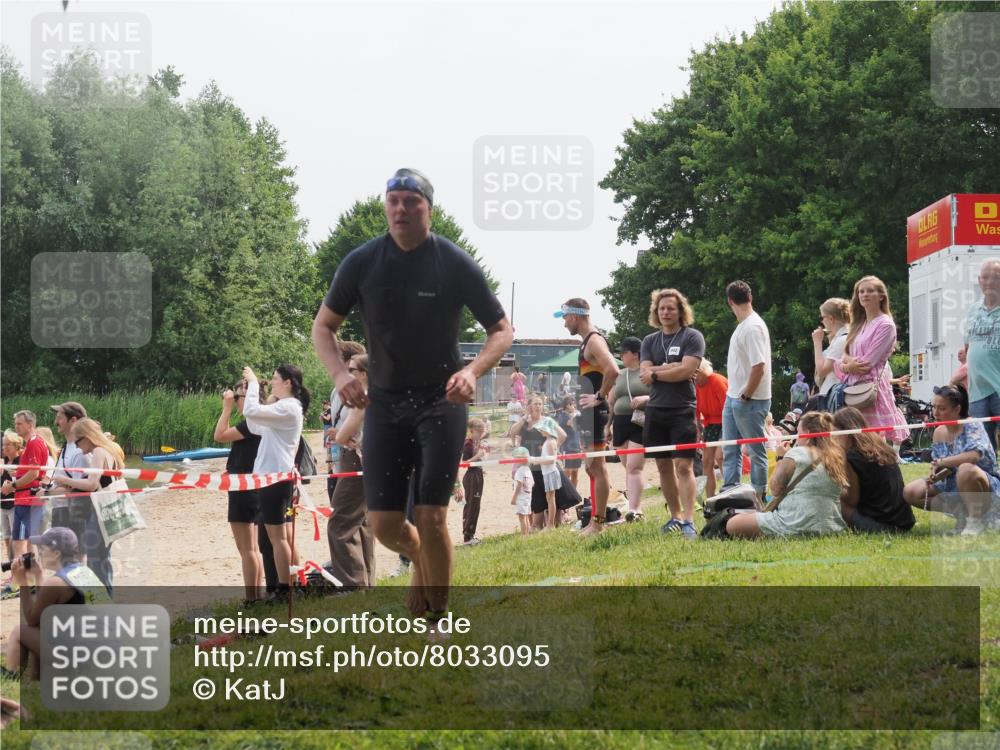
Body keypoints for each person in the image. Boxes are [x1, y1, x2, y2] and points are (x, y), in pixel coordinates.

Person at [312, 167, 513, 621]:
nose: (400, 209)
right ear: (386, 206)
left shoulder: (453, 261)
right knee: (384, 524)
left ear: (429, 208)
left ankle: (437, 617)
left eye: (411, 201)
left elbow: (501, 330)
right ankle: (421, 561)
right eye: (393, 201)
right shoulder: (362, 261)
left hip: (442, 402)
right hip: (383, 404)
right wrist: (341, 374)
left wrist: (472, 371)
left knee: (432, 514)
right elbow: (324, 327)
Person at [639, 288, 705, 538]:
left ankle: (689, 520)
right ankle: (675, 516)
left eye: (671, 308)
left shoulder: (692, 336)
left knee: (684, 467)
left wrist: (657, 372)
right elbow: (643, 374)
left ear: (680, 311)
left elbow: (687, 371)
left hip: (682, 409)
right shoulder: (649, 341)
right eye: (661, 308)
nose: (665, 312)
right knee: (663, 466)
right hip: (655, 410)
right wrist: (669, 368)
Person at [4, 527, 110, 677]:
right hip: (104, 652)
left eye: (42, 547)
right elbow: (45, 614)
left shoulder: (56, 583)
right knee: (45, 628)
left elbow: (32, 619)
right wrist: (39, 576)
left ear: (56, 553)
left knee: (19, 631)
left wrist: (23, 583)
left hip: (85, 659)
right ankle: (37, 680)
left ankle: (10, 675)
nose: (38, 552)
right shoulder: (83, 572)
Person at [724, 412, 849, 539]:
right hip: (830, 526)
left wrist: (780, 457)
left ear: (808, 434)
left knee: (732, 524)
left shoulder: (796, 453)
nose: (796, 438)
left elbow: (775, 489)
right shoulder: (836, 458)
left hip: (794, 522)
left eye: (798, 433)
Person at [241, 364, 308, 600]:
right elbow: (254, 424)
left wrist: (253, 384)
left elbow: (250, 411)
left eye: (275, 379)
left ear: (288, 382)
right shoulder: (284, 408)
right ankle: (295, 584)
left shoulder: (289, 407)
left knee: (278, 538)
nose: (273, 381)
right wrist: (258, 398)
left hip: (276, 478)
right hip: (274, 477)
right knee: (281, 537)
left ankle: (284, 588)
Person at [555, 297, 619, 536]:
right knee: (591, 468)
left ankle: (598, 523)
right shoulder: (587, 342)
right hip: (589, 414)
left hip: (595, 413)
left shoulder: (593, 340)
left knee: (597, 467)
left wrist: (600, 396)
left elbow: (613, 370)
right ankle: (595, 519)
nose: (564, 324)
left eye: (565, 318)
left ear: (575, 316)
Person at [902, 384, 1000, 536]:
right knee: (911, 492)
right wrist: (936, 472)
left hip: (984, 484)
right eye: (934, 407)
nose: (935, 413)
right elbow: (943, 465)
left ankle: (976, 521)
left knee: (965, 469)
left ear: (957, 409)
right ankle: (963, 515)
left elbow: (974, 456)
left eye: (942, 409)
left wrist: (942, 462)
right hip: (952, 483)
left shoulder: (972, 424)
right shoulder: (939, 432)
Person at [50, 418, 124, 591]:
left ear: (88, 437)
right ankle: (104, 602)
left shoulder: (98, 451)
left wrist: (64, 480)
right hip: (108, 511)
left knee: (95, 561)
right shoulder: (110, 450)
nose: (76, 446)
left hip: (100, 513)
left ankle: (101, 605)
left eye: (77, 441)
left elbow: (91, 484)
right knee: (100, 559)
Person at [833, 276, 908, 445]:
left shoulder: (885, 325)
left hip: (870, 392)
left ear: (881, 296)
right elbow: (844, 354)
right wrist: (849, 364)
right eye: (861, 291)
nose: (865, 295)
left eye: (870, 291)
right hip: (852, 390)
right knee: (853, 443)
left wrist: (845, 365)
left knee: (872, 443)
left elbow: (866, 363)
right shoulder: (859, 323)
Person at [214, 380, 264, 603]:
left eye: (238, 398)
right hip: (252, 484)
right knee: (253, 548)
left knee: (247, 549)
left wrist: (225, 409)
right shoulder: (261, 420)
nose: (235, 403)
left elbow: (220, 435)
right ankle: (258, 593)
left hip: (244, 488)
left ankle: (251, 598)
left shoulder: (252, 423)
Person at [721, 281, 773, 499]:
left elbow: (759, 366)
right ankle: (731, 492)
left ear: (730, 301)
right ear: (750, 297)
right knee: (729, 449)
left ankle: (759, 496)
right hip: (734, 396)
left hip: (749, 399)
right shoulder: (744, 325)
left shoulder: (752, 327)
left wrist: (745, 395)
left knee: (755, 451)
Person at [328, 354, 375, 588]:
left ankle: (352, 584)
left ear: (364, 374)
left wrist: (340, 435)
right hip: (374, 462)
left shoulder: (361, 399)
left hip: (357, 460)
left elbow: (342, 435)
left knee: (339, 523)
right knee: (361, 523)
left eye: (352, 370)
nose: (348, 373)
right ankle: (365, 582)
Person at [833, 407, 915, 533]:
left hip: (882, 525)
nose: (833, 439)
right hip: (904, 521)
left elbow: (852, 501)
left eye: (835, 433)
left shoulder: (851, 457)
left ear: (845, 432)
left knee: (835, 502)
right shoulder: (882, 447)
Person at [608, 336, 649, 521]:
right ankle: (633, 505)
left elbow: (659, 394)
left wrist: (645, 399)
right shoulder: (620, 374)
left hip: (640, 421)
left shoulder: (647, 371)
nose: (621, 355)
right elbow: (611, 400)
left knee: (634, 466)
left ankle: (635, 508)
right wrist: (607, 425)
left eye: (624, 352)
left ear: (635, 354)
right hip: (621, 422)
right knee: (627, 466)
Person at [1, 412, 49, 559]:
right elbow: (32, 472)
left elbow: (34, 473)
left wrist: (13, 485)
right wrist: (18, 477)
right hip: (26, 497)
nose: (16, 427)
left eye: (19, 423)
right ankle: (29, 579)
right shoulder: (32, 443)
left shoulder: (34, 442)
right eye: (15, 423)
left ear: (30, 424)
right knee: (27, 543)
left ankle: (22, 580)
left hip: (27, 499)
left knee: (20, 543)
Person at [964, 258, 1000, 450]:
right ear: (979, 280)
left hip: (999, 387)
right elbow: (967, 348)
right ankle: (990, 479)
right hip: (977, 390)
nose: (989, 282)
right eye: (985, 278)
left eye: (995, 277)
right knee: (982, 446)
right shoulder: (973, 310)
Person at [327, 341, 368, 502]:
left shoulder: (363, 394)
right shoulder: (336, 391)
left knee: (342, 513)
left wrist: (341, 435)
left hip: (357, 456)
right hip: (340, 454)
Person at [46, 403, 89, 545]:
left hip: (73, 513)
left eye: (59, 418)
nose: (55, 422)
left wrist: (47, 493)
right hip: (60, 510)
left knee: (72, 560)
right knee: (59, 560)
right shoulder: (67, 447)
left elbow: (79, 491)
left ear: (73, 420)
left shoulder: (79, 451)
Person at [695, 359, 728, 500]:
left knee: (721, 457)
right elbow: (695, 410)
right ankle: (710, 498)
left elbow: (728, 408)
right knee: (706, 461)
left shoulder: (717, 380)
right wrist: (698, 430)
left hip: (725, 421)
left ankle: (730, 490)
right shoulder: (695, 386)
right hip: (709, 424)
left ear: (699, 370)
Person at [811, 298, 851, 412]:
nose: (822, 322)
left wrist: (817, 343)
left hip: (832, 394)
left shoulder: (841, 340)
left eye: (822, 318)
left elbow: (822, 371)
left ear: (831, 318)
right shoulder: (846, 337)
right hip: (837, 393)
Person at [460, 418, 488, 545]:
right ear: (471, 431)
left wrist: (481, 463)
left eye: (482, 431)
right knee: (472, 506)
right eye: (479, 431)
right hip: (472, 477)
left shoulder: (477, 442)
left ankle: (470, 534)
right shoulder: (468, 444)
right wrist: (478, 456)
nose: (481, 433)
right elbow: (464, 463)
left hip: (477, 474)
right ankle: (468, 537)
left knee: (475, 505)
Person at [1, 431, 24, 572]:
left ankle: (19, 575)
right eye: (4, 444)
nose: (5, 447)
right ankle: (13, 573)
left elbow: (23, 484)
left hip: (16, 505)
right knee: (7, 539)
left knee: (17, 541)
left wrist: (11, 486)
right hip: (3, 505)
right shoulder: (4, 462)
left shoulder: (20, 462)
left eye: (8, 444)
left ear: (16, 446)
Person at [537, 417, 563, 529]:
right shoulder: (549, 441)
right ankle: (550, 523)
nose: (541, 431)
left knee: (551, 498)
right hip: (547, 472)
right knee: (550, 498)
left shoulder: (550, 442)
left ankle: (550, 524)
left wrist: (536, 460)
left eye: (542, 429)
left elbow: (552, 460)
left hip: (550, 472)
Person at [555, 396, 582, 489]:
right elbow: (570, 423)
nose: (574, 405)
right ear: (566, 405)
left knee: (575, 473)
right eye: (572, 403)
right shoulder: (563, 416)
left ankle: (574, 494)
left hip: (577, 447)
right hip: (567, 448)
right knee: (567, 472)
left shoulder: (575, 414)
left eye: (574, 403)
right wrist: (576, 413)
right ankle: (565, 494)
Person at [510, 446, 534, 536]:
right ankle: (527, 534)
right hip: (528, 497)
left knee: (522, 518)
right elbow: (532, 483)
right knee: (526, 517)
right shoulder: (528, 470)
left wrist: (514, 497)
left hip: (521, 497)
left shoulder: (519, 471)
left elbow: (519, 485)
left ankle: (524, 536)